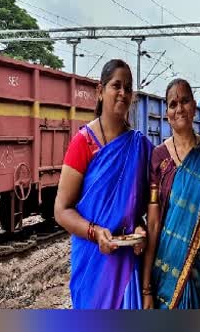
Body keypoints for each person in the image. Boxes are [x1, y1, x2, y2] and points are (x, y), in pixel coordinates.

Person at [55, 59, 152, 309]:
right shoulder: (83, 142)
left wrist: (140, 229)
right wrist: (96, 232)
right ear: (100, 91)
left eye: (128, 88)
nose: (123, 93)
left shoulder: (138, 146)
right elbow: (61, 210)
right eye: (116, 86)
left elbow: (137, 207)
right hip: (92, 261)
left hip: (127, 264)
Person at [142, 78, 200, 309]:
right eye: (173, 104)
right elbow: (153, 224)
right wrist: (146, 287)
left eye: (184, 101)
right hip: (165, 267)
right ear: (167, 113)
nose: (179, 108)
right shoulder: (158, 156)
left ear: (194, 106)